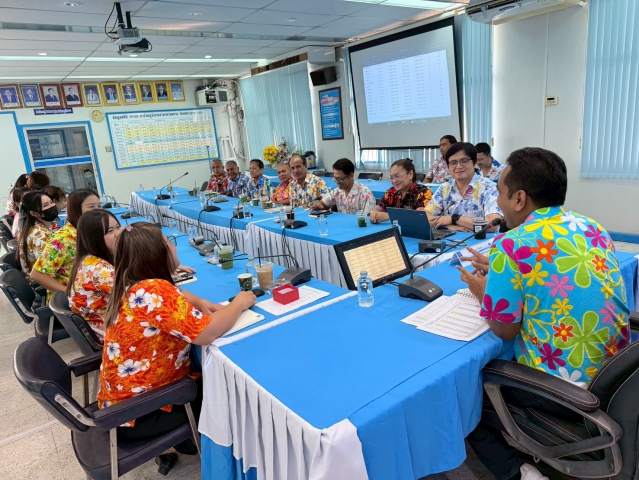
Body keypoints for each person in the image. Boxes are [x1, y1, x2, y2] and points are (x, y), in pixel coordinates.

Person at [458, 147, 629, 480]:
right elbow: (552, 270)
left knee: (465, 392)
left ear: (519, 198)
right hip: (615, 374)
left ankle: (518, 473)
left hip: (567, 391)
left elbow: (505, 330)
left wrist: (483, 292)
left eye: (500, 193)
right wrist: (501, 271)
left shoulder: (511, 244)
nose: (498, 202)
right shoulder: (590, 226)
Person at [98, 222, 255, 474]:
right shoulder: (155, 290)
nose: (173, 244)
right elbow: (207, 333)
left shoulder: (134, 284)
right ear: (159, 252)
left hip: (122, 408)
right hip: (143, 413)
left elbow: (178, 293)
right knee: (230, 391)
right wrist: (239, 303)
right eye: (168, 241)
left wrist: (202, 302)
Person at [30, 189, 101, 293]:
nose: (98, 211)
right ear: (76, 210)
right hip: (76, 294)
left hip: (91, 285)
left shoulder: (88, 231)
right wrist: (69, 293)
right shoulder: (63, 239)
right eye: (91, 207)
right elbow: (37, 275)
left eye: (99, 206)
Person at [67, 210, 121, 339]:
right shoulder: (101, 269)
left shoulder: (87, 259)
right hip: (109, 335)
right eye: (110, 231)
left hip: (98, 328)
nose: (118, 233)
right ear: (95, 238)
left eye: (118, 227)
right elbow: (138, 296)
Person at [426, 142, 502, 232]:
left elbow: (492, 224)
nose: (458, 166)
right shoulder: (444, 188)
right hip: (450, 238)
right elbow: (426, 216)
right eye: (453, 163)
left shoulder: (489, 188)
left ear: (475, 163)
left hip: (480, 240)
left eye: (464, 161)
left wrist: (454, 219)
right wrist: (448, 225)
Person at [370, 159, 432, 224]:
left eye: (397, 176)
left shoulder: (424, 192)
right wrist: (373, 213)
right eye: (391, 178)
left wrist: (390, 216)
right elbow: (378, 208)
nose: (394, 181)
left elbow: (421, 217)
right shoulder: (391, 192)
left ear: (410, 174)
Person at [16, 192, 56, 277]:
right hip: (42, 282)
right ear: (34, 213)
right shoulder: (40, 235)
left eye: (51, 202)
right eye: (45, 205)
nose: (52, 206)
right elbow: (48, 269)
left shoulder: (35, 227)